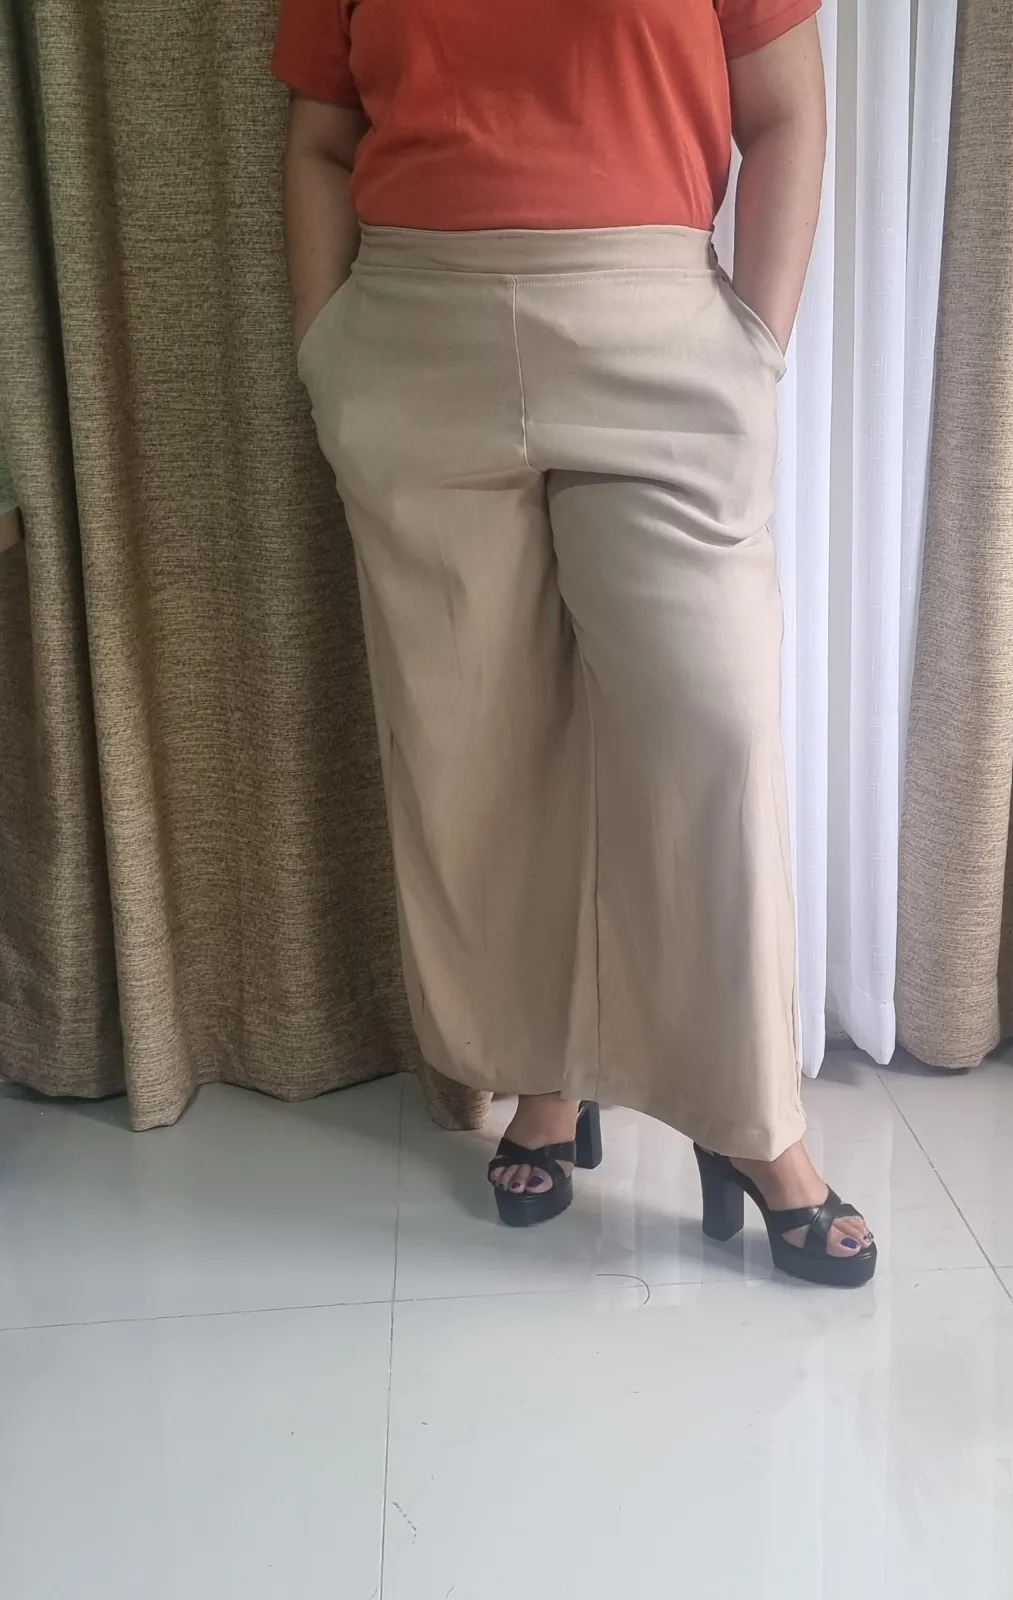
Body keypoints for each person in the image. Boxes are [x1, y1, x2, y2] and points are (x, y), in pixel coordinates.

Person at [273, 0, 876, 1288]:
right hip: (416, 345)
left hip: (653, 328)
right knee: (483, 741)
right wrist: (326, 350)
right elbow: (321, 138)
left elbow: (785, 113)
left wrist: (756, 347)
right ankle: (549, 1083)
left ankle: (753, 1121)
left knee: (712, 729)